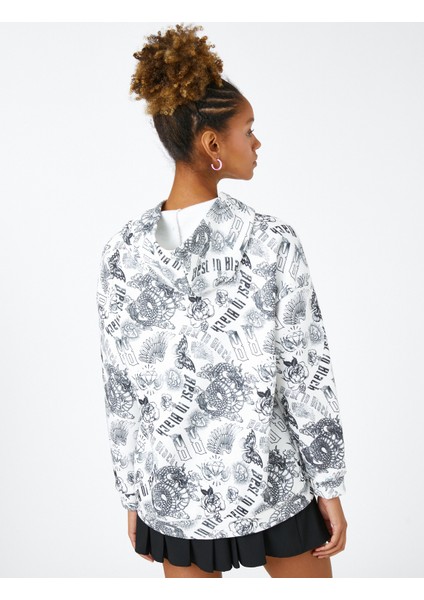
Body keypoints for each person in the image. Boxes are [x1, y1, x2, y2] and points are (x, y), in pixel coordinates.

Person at [96, 22, 348, 579]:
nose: (257, 143)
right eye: (248, 131)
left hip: (174, 495)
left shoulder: (121, 253)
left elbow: (122, 390)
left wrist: (134, 493)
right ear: (213, 145)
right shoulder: (272, 242)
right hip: (276, 483)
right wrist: (328, 485)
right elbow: (306, 372)